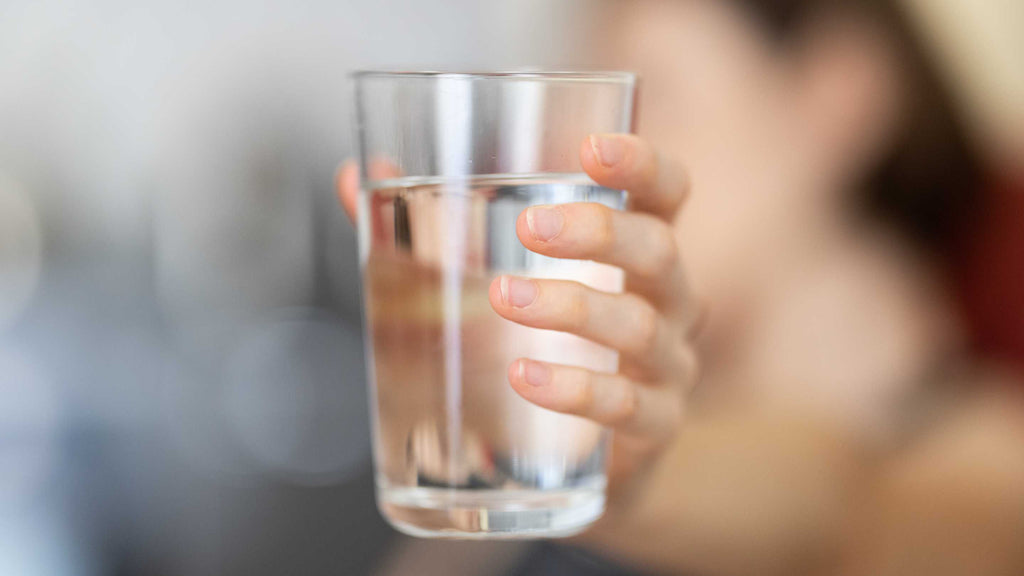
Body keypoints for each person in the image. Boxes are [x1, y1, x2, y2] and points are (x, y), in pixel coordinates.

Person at [338, 1, 1024, 574]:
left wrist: (623, 480)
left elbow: (841, 503)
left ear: (837, 92)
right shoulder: (565, 425)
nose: (573, 154)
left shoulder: (979, 454)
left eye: (651, 93)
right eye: (571, 109)